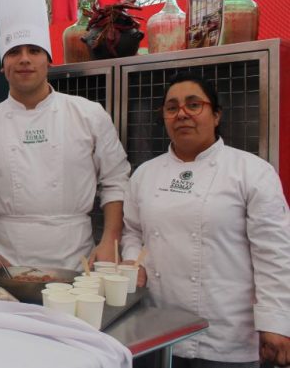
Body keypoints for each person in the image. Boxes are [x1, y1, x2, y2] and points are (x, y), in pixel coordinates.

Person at [0, 0, 130, 279]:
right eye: (14, 52)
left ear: (48, 60)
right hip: (7, 264)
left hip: (78, 261)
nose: (24, 59)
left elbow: (116, 182)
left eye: (34, 51)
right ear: (3, 66)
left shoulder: (89, 114)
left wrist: (109, 241)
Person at [121, 72, 290, 368]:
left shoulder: (251, 171)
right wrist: (133, 262)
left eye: (193, 104)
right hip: (156, 329)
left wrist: (276, 323)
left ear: (216, 115)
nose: (182, 113)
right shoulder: (144, 174)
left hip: (227, 334)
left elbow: (274, 253)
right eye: (172, 107)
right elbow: (133, 231)